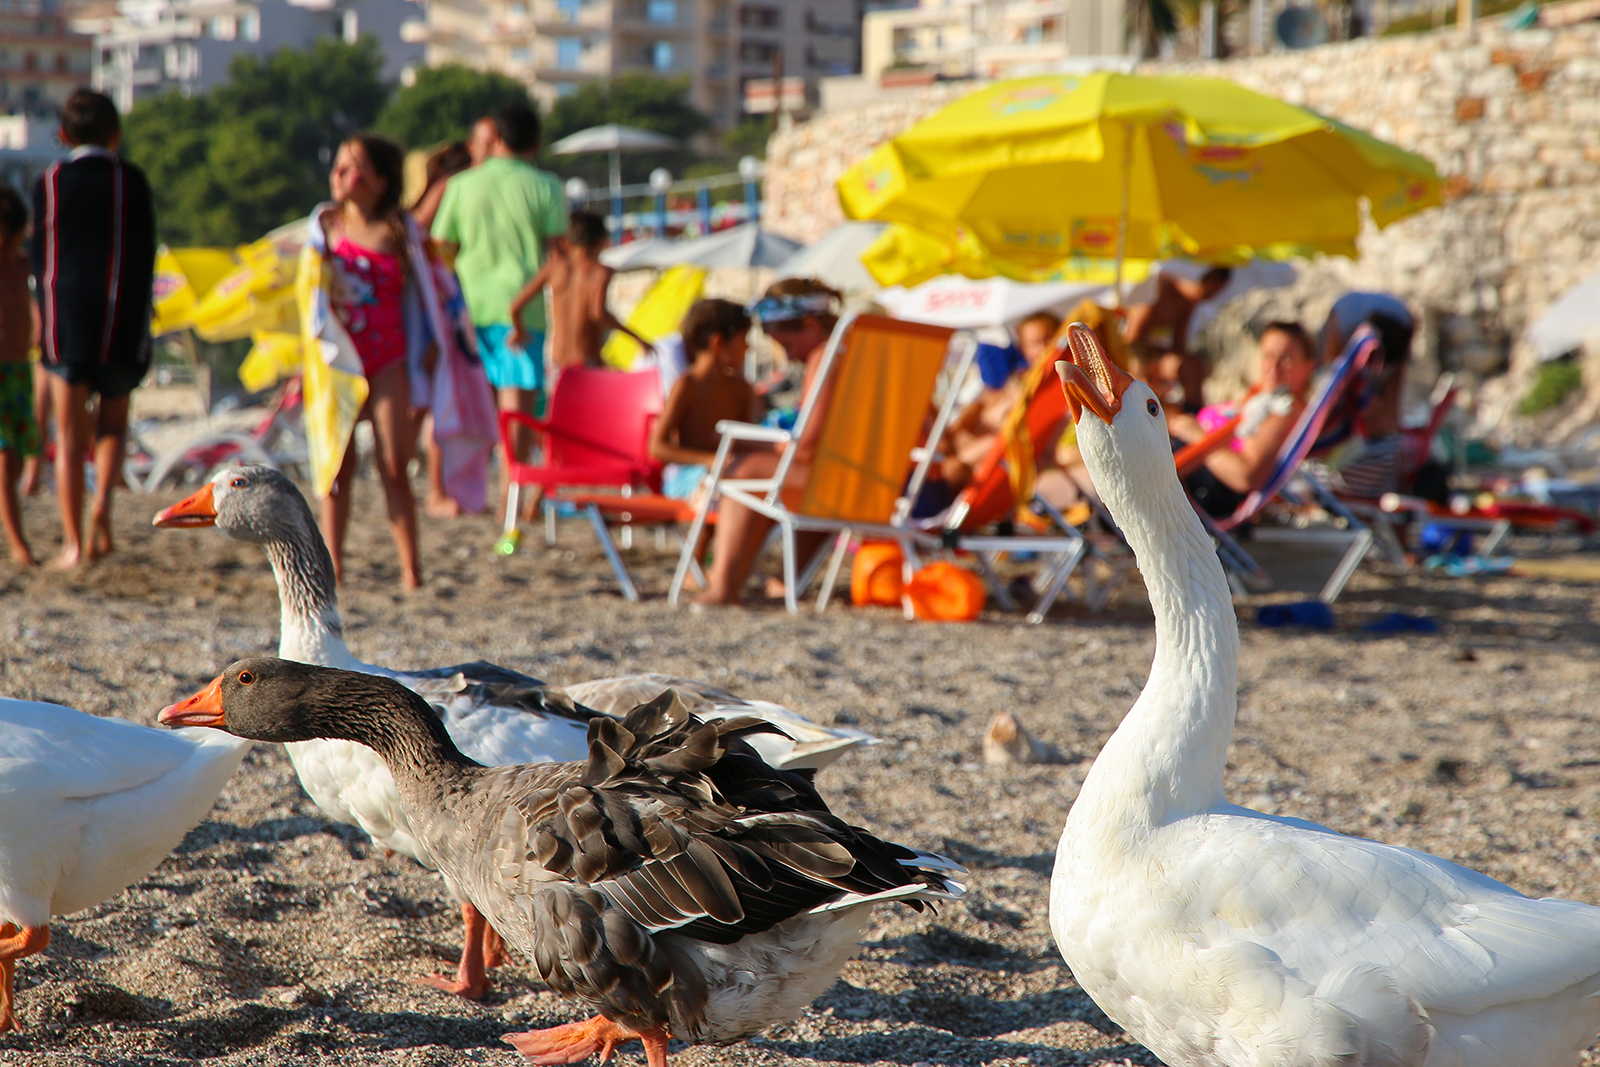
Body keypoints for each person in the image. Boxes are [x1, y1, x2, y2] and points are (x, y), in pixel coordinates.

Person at [30, 88, 156, 568]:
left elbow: (43, 255)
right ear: (117, 134)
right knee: (113, 425)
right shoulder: (132, 180)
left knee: (69, 434)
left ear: (62, 135)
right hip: (119, 312)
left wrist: (43, 313)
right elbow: (144, 251)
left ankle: (73, 543)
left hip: (66, 315)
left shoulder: (53, 179)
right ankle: (102, 499)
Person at [431, 102, 567, 518]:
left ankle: (460, 493)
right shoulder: (547, 186)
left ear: (497, 139)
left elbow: (441, 247)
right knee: (516, 411)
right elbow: (558, 258)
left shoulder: (461, 185)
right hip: (521, 312)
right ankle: (512, 492)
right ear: (535, 143)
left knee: (471, 405)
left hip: (468, 308)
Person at [310, 133, 425, 589]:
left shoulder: (399, 230)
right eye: (337, 163)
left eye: (352, 166)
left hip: (388, 359)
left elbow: (428, 298)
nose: (339, 173)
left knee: (394, 465)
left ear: (379, 181)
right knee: (336, 468)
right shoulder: (322, 228)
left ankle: (412, 570)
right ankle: (333, 567)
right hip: (338, 364)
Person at [693, 278, 841, 607]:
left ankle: (723, 588)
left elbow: (807, 447)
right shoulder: (866, 350)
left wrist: (747, 444)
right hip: (877, 484)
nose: (783, 351)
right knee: (788, 473)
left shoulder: (827, 356)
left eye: (785, 343)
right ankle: (785, 581)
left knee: (748, 470)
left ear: (810, 325)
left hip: (840, 485)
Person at [1167, 321, 1320, 518]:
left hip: (1203, 489)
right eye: (1268, 356)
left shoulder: (1285, 410)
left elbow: (1245, 476)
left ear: (1308, 366)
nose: (1273, 367)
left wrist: (1196, 434)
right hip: (1185, 467)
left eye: (1286, 359)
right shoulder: (1264, 398)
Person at [408, 140, 475, 518]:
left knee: (431, 405)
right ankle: (434, 491)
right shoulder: (453, 185)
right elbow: (420, 230)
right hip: (435, 308)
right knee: (436, 403)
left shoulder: (447, 186)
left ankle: (434, 488)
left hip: (434, 304)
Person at [509, 211, 651, 373]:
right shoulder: (600, 272)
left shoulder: (553, 268)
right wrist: (638, 338)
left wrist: (519, 331)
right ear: (601, 242)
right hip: (587, 361)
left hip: (557, 363)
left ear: (567, 242)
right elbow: (598, 313)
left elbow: (515, 306)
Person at [649, 298, 759, 506]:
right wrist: (709, 460)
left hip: (726, 471)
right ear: (718, 343)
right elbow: (657, 447)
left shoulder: (741, 388)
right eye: (744, 339)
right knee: (716, 487)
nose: (748, 347)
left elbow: (746, 440)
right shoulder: (687, 385)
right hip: (687, 477)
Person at [1318, 292, 1416, 498]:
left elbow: (1331, 367)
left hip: (1347, 497)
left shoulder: (1355, 398)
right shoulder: (1384, 408)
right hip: (1373, 494)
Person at [1122, 265, 1232, 411]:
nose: (1212, 297)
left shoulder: (1189, 302)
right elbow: (1132, 339)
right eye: (1212, 291)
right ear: (1206, 281)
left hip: (1150, 353)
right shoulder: (1159, 289)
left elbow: (1179, 345)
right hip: (1134, 354)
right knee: (1182, 366)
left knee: (1192, 366)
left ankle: (1191, 412)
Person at [0, 184, 39, 564]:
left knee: (13, 463)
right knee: (5, 460)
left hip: (17, 372)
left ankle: (16, 540)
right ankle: (18, 544)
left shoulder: (21, 264)